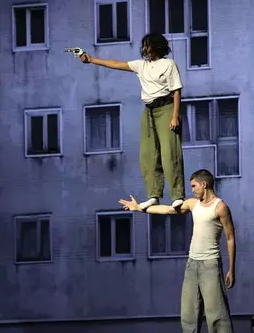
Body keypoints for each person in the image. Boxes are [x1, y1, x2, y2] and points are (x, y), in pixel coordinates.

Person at [118, 169, 238, 333]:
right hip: (192, 265)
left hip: (210, 264)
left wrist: (231, 269)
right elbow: (168, 210)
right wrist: (139, 208)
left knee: (216, 313)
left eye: (193, 186)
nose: (191, 190)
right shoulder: (193, 204)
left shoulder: (220, 207)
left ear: (204, 185)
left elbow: (230, 238)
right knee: (189, 314)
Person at [67, 34, 185, 211]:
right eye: (143, 46)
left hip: (166, 108)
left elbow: (176, 91)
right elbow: (115, 63)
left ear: (156, 47)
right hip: (149, 111)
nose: (145, 50)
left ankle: (177, 195)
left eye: (148, 46)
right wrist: (91, 59)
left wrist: (175, 116)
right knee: (148, 154)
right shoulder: (141, 65)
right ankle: (153, 195)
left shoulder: (168, 64)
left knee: (169, 152)